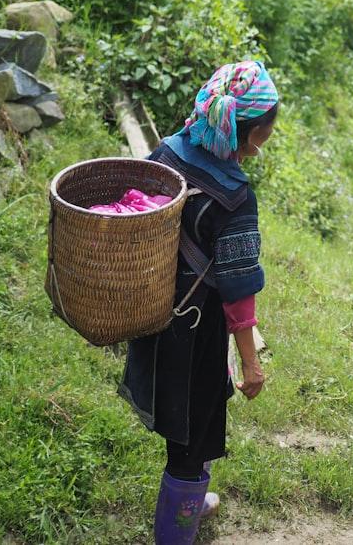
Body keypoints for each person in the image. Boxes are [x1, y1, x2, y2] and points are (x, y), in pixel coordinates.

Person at [119, 60, 279, 545]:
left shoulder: (168, 150)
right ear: (250, 132)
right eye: (269, 128)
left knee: (193, 420)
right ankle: (176, 529)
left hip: (154, 311)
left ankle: (195, 500)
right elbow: (238, 290)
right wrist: (251, 364)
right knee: (188, 441)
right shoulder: (234, 195)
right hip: (195, 329)